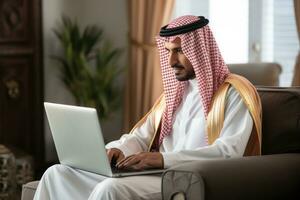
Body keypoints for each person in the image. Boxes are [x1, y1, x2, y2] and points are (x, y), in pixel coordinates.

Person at [34, 15, 261, 200]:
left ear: (200, 50)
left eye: (179, 51)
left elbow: (229, 152)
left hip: (186, 179)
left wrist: (162, 160)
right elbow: (141, 138)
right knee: (57, 174)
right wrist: (118, 149)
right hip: (153, 173)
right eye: (168, 51)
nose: (172, 61)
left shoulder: (234, 93)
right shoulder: (174, 95)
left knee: (110, 190)